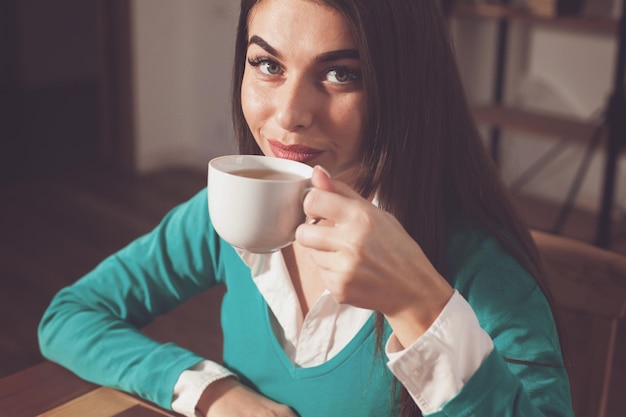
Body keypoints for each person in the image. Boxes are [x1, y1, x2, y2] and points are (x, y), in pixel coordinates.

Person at [38, 0, 575, 416]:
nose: (290, 114)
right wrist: (212, 390)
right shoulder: (226, 214)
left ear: (407, 85)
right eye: (267, 64)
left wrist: (418, 304)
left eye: (341, 73)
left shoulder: (480, 266)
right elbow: (69, 316)